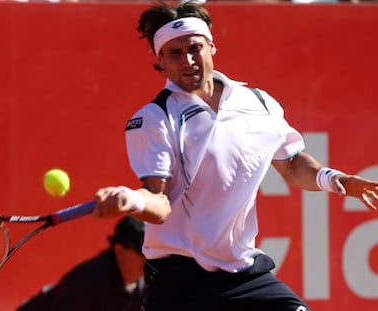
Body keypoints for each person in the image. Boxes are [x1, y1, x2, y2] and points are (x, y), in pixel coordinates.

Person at [91, 1, 378, 310]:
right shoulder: (154, 118)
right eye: (175, 53)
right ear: (160, 59)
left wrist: (339, 180)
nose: (188, 61)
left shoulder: (257, 102)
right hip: (179, 281)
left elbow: (293, 165)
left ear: (212, 46)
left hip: (242, 273)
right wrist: (131, 200)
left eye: (195, 48)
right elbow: (158, 203)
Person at [17, 215, 145, 311]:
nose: (149, 259)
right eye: (142, 253)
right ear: (120, 250)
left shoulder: (143, 287)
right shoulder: (89, 279)